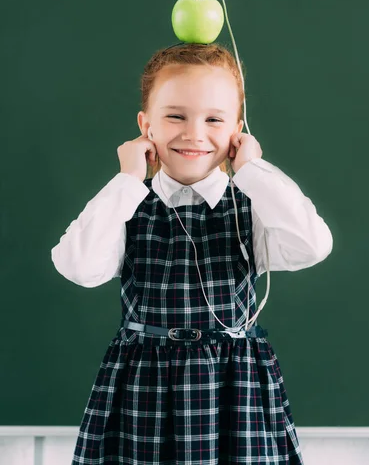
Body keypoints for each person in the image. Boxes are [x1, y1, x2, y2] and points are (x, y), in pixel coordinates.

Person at [51, 42, 333, 464]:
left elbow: (312, 245)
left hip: (234, 390)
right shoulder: (128, 205)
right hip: (143, 387)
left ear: (238, 130)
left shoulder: (252, 206)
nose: (194, 133)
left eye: (214, 120)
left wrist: (253, 170)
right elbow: (78, 266)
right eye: (175, 116)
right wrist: (128, 180)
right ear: (146, 125)